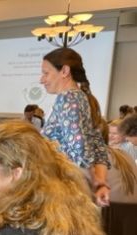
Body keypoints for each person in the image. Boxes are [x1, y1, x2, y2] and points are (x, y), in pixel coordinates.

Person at [40, 47, 110, 206]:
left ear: (64, 71)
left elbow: (79, 148)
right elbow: (98, 144)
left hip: (62, 191)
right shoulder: (81, 98)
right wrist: (99, 181)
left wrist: (93, 181)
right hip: (73, 190)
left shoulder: (68, 98)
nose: (41, 79)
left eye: (46, 73)